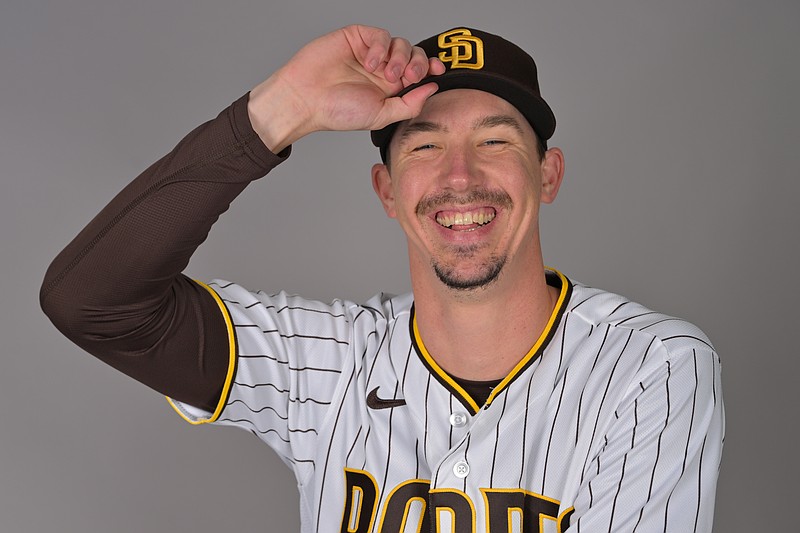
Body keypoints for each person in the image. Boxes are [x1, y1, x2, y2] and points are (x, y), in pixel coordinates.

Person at [40, 24, 724, 532]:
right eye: (425, 144)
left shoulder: (649, 367)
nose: (461, 177)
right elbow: (93, 301)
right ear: (387, 190)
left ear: (547, 174)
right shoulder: (328, 363)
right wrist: (281, 110)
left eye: (495, 140)